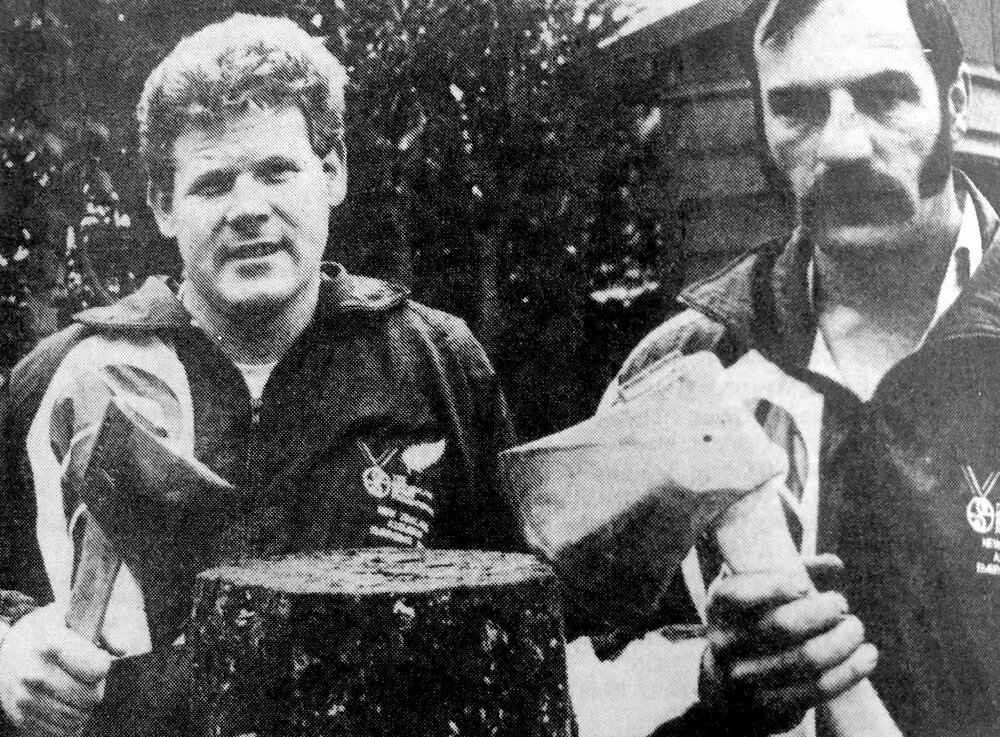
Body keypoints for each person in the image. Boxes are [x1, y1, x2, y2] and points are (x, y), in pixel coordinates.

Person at [0, 14, 522, 737]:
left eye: (277, 171)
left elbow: (517, 624)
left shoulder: (435, 363)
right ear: (163, 206)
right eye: (213, 183)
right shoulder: (63, 379)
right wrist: (8, 648)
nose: (249, 209)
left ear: (332, 172)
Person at [593, 0, 1000, 735]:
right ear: (762, 125)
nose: (842, 145)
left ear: (957, 102)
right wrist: (714, 698)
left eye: (884, 95)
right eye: (797, 108)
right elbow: (592, 682)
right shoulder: (682, 372)